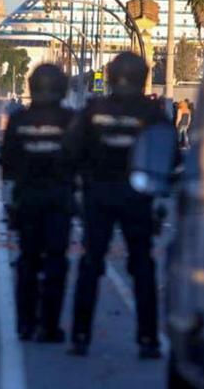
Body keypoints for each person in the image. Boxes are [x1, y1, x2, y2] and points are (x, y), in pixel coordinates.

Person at [64, 52, 171, 359]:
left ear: (110, 76)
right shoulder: (152, 113)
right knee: (142, 267)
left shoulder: (93, 111)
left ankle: (81, 337)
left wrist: (76, 187)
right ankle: (148, 340)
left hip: (98, 196)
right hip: (138, 197)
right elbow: (168, 156)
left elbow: (70, 152)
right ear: (142, 76)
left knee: (90, 264)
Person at [0, 64, 75, 342]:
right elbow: (82, 159)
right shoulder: (70, 120)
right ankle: (50, 325)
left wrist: (9, 200)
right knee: (56, 261)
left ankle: (25, 323)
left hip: (27, 199)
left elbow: (6, 161)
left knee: (27, 261)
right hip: (59, 200)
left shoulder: (19, 120)